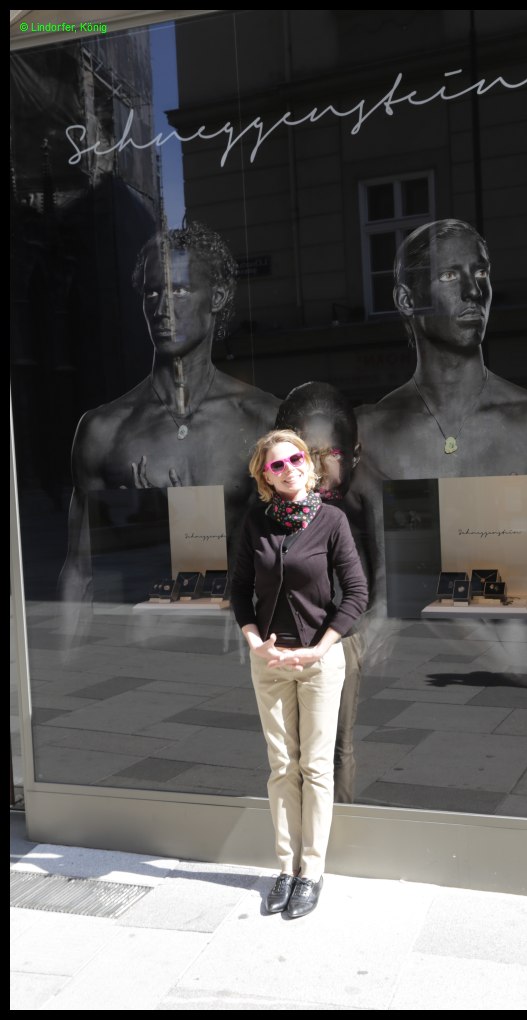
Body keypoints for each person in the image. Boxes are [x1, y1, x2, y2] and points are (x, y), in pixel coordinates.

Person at [354, 218, 527, 687]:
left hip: (506, 695)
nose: (473, 290)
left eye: (480, 272)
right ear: (405, 299)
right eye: (449, 275)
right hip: (397, 697)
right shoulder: (368, 434)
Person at [58, 221, 280, 633]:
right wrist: (68, 656)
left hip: (241, 640)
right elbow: (79, 569)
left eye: (179, 290)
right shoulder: (104, 429)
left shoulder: (264, 419)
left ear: (217, 296)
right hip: (140, 638)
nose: (162, 308)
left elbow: (298, 557)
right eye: (152, 293)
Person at [230, 429, 368, 917]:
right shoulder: (256, 522)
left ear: (309, 464)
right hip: (269, 661)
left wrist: (320, 648)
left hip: (319, 663)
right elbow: (240, 589)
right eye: (276, 465)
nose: (288, 468)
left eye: (295, 459)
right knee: (282, 767)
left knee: (316, 767)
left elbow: (356, 593)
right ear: (265, 477)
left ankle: (312, 871)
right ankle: (286, 868)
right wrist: (255, 642)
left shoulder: (331, 520)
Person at [274, 381, 376, 803]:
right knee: (293, 749)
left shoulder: (353, 511)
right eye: (303, 455)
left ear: (354, 454)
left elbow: (367, 586)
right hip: (288, 640)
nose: (314, 469)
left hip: (341, 639)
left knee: (337, 743)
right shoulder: (275, 513)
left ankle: (340, 822)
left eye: (327, 454)